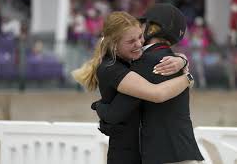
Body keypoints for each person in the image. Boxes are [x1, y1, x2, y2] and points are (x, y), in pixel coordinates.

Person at [72, 11, 192, 164]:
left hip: (142, 150)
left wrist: (182, 59)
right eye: (131, 41)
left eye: (140, 36)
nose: (139, 44)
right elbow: (157, 94)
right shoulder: (111, 69)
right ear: (114, 45)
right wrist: (188, 78)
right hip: (126, 154)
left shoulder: (131, 60)